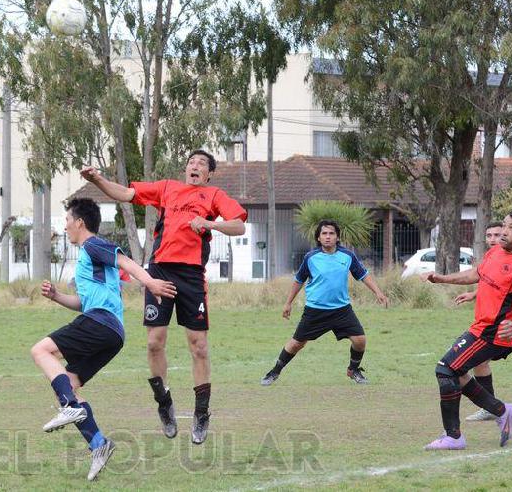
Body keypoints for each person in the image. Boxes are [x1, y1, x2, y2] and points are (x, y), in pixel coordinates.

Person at [80, 149, 247, 445]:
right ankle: (164, 403)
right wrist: (97, 179)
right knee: (154, 342)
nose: (194, 166)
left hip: (191, 275)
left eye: (201, 164)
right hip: (159, 271)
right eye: (191, 162)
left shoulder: (213, 195)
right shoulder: (167, 188)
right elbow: (125, 193)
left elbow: (238, 224)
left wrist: (209, 224)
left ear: (209, 174)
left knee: (199, 347)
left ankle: (201, 413)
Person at [31, 198, 177, 480]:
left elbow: (125, 261)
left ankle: (70, 409)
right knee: (69, 384)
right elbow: (84, 303)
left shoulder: (93, 245)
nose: (65, 227)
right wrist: (57, 297)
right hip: (111, 331)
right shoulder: (89, 258)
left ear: (79, 222)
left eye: (66, 221)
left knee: (40, 351)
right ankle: (98, 443)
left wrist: (150, 282)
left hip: (100, 322)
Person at [420, 210, 512, 450]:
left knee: (445, 369)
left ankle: (453, 436)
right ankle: (500, 410)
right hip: (480, 327)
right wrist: (442, 279)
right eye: (504, 226)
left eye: (511, 228)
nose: (504, 232)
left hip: (493, 333)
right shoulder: (496, 251)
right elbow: (476, 274)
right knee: (457, 372)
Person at [261, 220, 389, 386]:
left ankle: (353, 370)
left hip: (342, 310)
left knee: (360, 340)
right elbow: (298, 280)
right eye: (324, 234)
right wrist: (288, 303)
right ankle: (274, 372)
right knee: (296, 344)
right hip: (315, 311)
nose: (328, 237)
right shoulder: (311, 258)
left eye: (331, 233)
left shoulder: (348, 256)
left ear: (337, 237)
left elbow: (363, 275)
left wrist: (378, 292)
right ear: (319, 238)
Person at [456, 222, 512, 421]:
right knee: (479, 360)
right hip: (507, 322)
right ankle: (490, 408)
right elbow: (497, 285)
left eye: (498, 235)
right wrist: (474, 294)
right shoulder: (496, 256)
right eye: (489, 235)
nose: (493, 239)